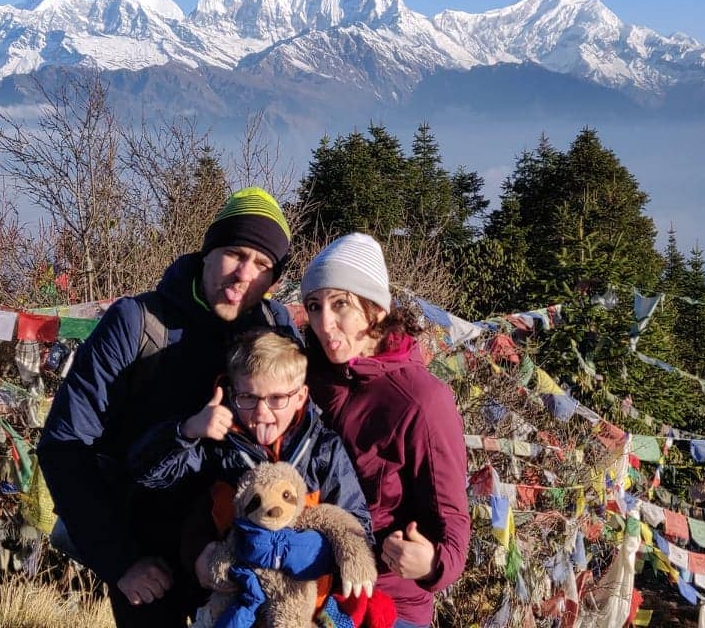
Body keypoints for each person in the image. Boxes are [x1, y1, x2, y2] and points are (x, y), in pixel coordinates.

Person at [38, 188, 296, 627]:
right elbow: (64, 445)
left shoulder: (276, 331)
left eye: (263, 266)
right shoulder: (137, 323)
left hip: (243, 556)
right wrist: (120, 561)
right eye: (235, 253)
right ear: (207, 251)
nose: (244, 275)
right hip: (149, 561)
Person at [126, 329, 374, 604]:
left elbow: (356, 522)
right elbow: (149, 474)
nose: (261, 413)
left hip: (307, 606)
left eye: (277, 399)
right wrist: (186, 431)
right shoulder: (218, 444)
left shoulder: (323, 449)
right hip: (234, 603)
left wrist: (316, 554)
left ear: (301, 396)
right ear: (232, 394)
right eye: (248, 397)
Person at [300, 233, 471, 627]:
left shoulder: (421, 399)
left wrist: (431, 563)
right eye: (314, 305)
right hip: (306, 589)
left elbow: (452, 521)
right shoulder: (307, 377)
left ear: (375, 309)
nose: (324, 323)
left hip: (386, 605)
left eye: (340, 303)